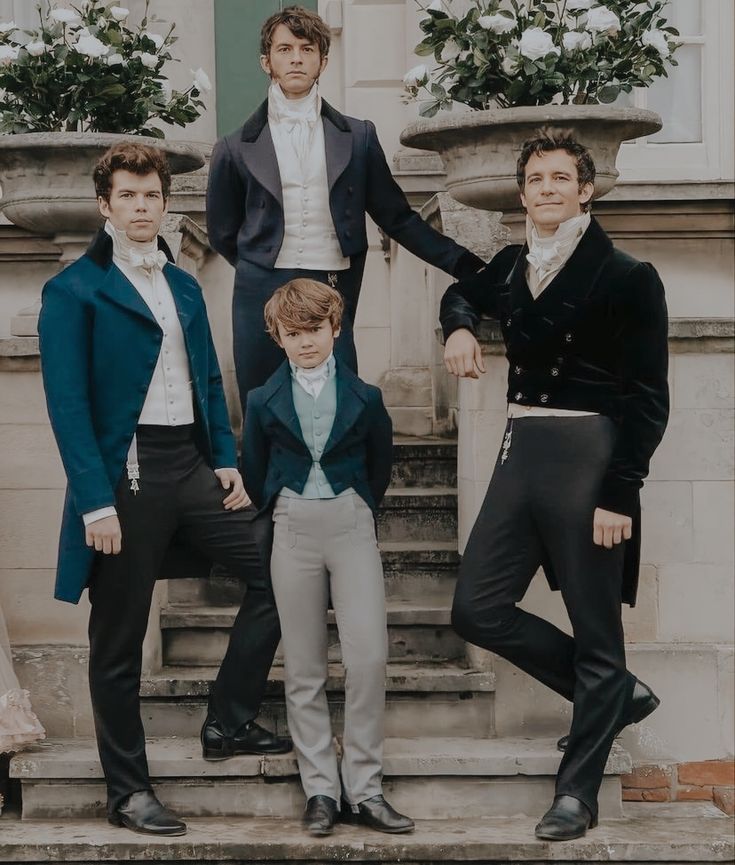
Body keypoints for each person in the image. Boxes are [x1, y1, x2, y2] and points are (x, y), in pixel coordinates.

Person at [38, 142, 290, 838]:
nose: (143, 206)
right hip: (126, 471)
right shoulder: (72, 291)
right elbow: (68, 405)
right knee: (117, 638)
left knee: (280, 572)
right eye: (129, 195)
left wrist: (226, 458)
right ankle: (128, 790)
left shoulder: (181, 284)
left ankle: (228, 718)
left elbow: (208, 377)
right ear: (105, 204)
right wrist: (95, 500)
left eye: (152, 195)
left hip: (190, 463)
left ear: (164, 201)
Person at [440, 130, 669, 841]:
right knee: (476, 607)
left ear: (585, 189)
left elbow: (647, 399)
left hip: (588, 458)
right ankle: (614, 697)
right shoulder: (511, 264)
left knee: (597, 633)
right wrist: (458, 328)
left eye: (559, 177)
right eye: (535, 178)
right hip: (519, 451)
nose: (546, 188)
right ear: (521, 193)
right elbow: (459, 291)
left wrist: (619, 494)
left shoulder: (628, 275)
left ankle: (577, 793)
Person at [206, 5, 484, 419]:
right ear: (267, 61)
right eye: (284, 49)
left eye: (306, 48)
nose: (296, 58)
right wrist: (261, 264)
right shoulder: (233, 146)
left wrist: (467, 265)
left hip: (332, 282)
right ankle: (266, 488)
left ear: (323, 60)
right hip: (261, 286)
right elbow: (222, 232)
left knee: (340, 410)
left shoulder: (358, 136)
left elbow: (397, 218)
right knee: (264, 408)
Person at [242, 278, 414, 837]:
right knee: (304, 665)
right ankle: (320, 787)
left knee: (367, 656)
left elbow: (380, 465)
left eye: (314, 330)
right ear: (278, 338)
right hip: (293, 526)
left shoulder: (366, 398)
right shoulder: (263, 400)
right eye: (293, 334)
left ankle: (364, 787)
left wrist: (359, 503)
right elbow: (254, 468)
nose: (306, 342)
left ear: (335, 329)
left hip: (350, 522)